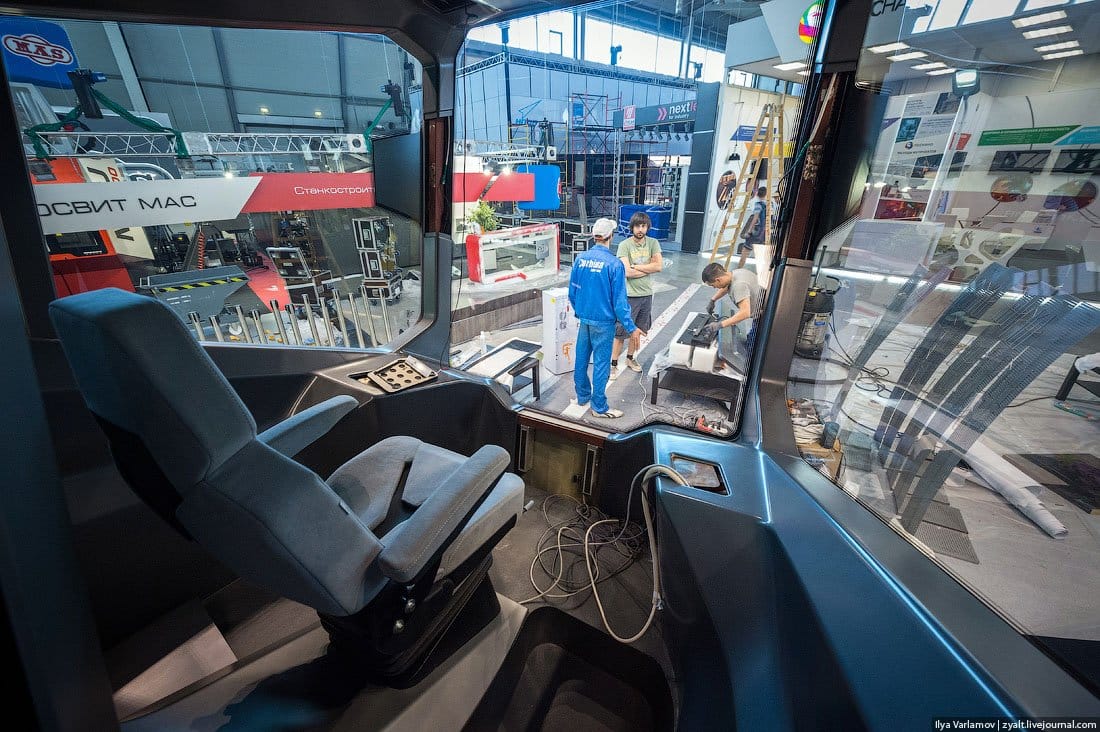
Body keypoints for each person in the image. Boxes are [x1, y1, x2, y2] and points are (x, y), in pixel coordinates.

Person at [568, 217, 642, 419]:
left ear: (594, 236)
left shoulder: (580, 259)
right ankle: (599, 407)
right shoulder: (614, 264)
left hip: (585, 320)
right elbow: (619, 302)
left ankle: (583, 396)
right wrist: (631, 326)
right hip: (604, 323)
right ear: (611, 236)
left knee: (582, 359)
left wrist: (581, 311)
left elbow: (572, 293)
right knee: (601, 364)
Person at [611, 211, 663, 379]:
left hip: (647, 295)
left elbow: (658, 267)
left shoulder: (653, 243)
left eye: (643, 226)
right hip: (629, 295)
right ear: (632, 227)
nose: (640, 229)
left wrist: (637, 267)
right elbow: (626, 272)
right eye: (637, 226)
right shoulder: (624, 245)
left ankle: (630, 358)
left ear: (647, 227)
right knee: (620, 332)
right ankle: (613, 364)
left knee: (639, 329)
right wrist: (648, 267)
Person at [700, 262, 765, 353]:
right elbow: (726, 287)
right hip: (763, 308)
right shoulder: (735, 273)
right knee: (750, 341)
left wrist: (719, 325)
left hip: (765, 317)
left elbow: (745, 313)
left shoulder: (739, 285)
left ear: (718, 280)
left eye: (712, 285)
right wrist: (713, 300)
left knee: (752, 350)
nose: (714, 288)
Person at [737, 186, 769, 270]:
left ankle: (738, 270)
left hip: (756, 233)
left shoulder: (758, 205)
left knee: (745, 253)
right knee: (762, 257)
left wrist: (749, 231)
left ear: (757, 194)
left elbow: (755, 219)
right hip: (764, 234)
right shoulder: (769, 205)